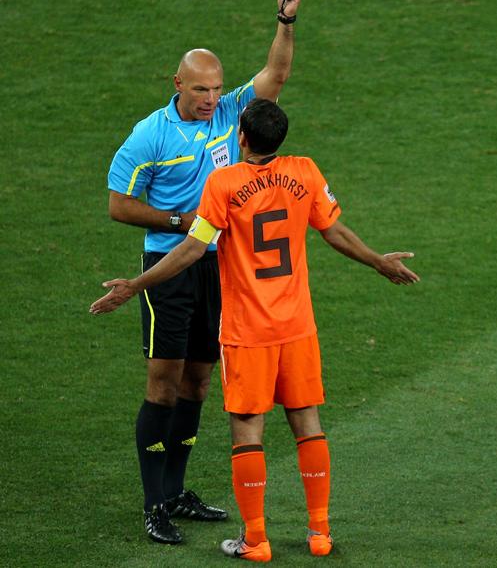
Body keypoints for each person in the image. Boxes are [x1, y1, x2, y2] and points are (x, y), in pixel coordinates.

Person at [91, 98, 420, 561]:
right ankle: (320, 533)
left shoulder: (223, 183)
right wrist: (378, 262)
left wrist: (135, 285)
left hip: (248, 332)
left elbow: (190, 250)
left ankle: (256, 540)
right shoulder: (305, 172)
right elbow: (335, 232)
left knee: (248, 430)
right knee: (307, 423)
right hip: (298, 326)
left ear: (241, 137)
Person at [104, 0, 303, 544]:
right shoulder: (150, 135)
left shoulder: (230, 114)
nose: (212, 99)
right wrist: (178, 222)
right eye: (200, 90)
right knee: (162, 383)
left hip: (220, 270)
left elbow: (277, 76)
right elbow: (118, 204)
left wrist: (286, 21)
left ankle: (177, 490)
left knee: (197, 382)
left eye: (217, 88)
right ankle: (153, 504)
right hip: (169, 267)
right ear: (177, 85)